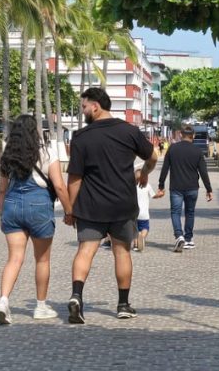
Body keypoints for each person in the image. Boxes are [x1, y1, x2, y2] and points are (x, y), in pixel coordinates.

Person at [64, 87, 157, 323]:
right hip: (122, 205)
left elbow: (75, 178)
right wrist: (144, 173)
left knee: (85, 250)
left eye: (84, 106)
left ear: (95, 106)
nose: (82, 111)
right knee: (122, 251)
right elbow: (152, 155)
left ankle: (76, 296)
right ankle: (123, 305)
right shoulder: (129, 131)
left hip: (91, 206)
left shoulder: (81, 137)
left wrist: (70, 209)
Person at [0, 114, 68, 324]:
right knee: (42, 260)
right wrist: (70, 210)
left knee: (14, 259)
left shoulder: (7, 156)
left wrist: (2, 215)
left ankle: (3, 301)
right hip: (39, 207)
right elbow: (59, 186)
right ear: (34, 131)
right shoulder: (46, 153)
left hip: (12, 207)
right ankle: (41, 306)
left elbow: (2, 190)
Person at [158, 126, 214, 252]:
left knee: (175, 212)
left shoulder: (172, 148)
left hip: (176, 187)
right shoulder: (197, 151)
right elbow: (203, 172)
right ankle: (188, 239)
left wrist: (161, 185)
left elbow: (165, 168)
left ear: (181, 135)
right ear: (193, 136)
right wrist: (209, 189)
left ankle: (179, 236)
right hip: (192, 187)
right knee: (190, 213)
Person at [133, 175, 162, 252]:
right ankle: (142, 237)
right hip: (144, 214)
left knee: (135, 230)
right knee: (145, 228)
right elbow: (154, 196)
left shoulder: (132, 187)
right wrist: (159, 195)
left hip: (134, 213)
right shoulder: (147, 186)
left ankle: (135, 245)